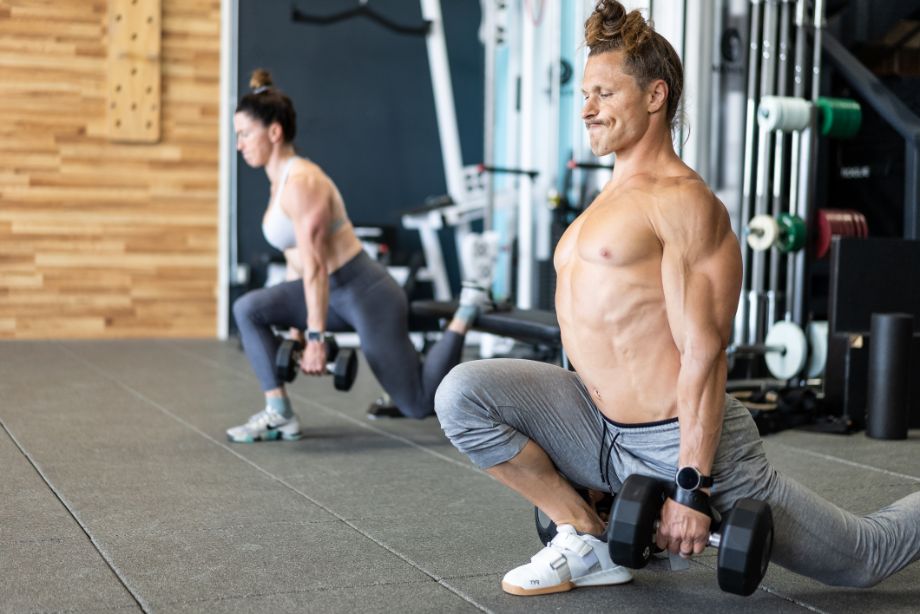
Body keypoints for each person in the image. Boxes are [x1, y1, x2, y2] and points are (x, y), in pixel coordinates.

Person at [434, 0, 920, 598]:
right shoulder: (603, 203)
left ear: (655, 96)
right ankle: (584, 533)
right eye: (585, 93)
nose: (586, 108)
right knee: (463, 393)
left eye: (605, 94)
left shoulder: (684, 204)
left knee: (866, 557)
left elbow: (703, 353)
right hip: (599, 427)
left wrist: (693, 488)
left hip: (678, 440)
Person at [228, 69, 490, 443]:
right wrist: (297, 329)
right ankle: (279, 413)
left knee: (416, 402)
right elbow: (295, 260)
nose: (239, 144)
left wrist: (317, 338)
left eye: (245, 134)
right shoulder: (277, 182)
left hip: (364, 292)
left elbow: (317, 265)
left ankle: (465, 312)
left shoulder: (303, 182)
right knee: (248, 309)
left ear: (274, 133)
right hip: (324, 294)